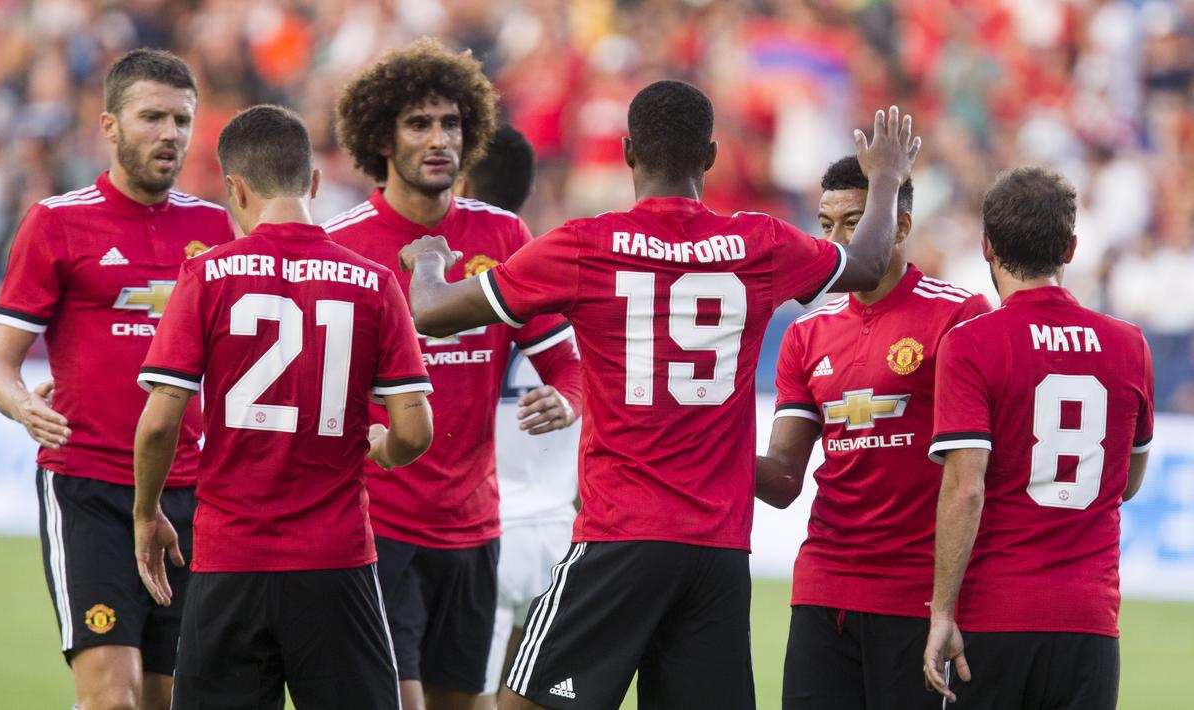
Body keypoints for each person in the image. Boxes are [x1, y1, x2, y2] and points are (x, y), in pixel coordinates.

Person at [398, 80, 921, 710]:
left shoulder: (584, 244)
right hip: (719, 552)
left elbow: (429, 313)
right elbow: (864, 265)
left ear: (625, 153)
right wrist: (887, 178)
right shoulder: (761, 242)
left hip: (620, 534)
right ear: (710, 157)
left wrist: (428, 260)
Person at [132, 104, 434, 709]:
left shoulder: (206, 275)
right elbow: (416, 429)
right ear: (314, 182)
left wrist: (146, 513)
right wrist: (387, 451)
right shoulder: (375, 282)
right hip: (337, 559)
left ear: (234, 188)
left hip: (229, 557)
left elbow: (162, 420)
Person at [324, 38, 583, 710]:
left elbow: (565, 363)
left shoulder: (502, 238)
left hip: (474, 528)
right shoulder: (341, 248)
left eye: (451, 124)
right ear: (381, 136)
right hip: (374, 527)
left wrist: (567, 398)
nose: (439, 140)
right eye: (419, 124)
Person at [0, 48, 234, 710]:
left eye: (182, 119)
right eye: (152, 117)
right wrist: (21, 408)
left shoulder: (213, 229)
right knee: (110, 699)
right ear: (110, 126)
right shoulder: (57, 222)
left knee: (166, 699)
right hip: (88, 487)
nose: (171, 134)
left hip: (187, 492)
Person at [756, 155, 990, 709]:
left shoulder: (959, 315)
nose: (837, 240)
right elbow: (784, 479)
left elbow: (979, 473)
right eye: (826, 224)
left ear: (899, 225)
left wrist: (947, 605)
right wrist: (703, 445)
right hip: (821, 589)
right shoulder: (805, 333)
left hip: (915, 594)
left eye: (855, 223)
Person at [923, 167, 1154, 709]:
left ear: (986, 245)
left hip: (996, 615)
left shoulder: (972, 344)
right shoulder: (1130, 345)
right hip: (1090, 622)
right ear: (1070, 248)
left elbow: (965, 490)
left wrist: (940, 613)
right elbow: (1125, 483)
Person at [453, 126, 583, 710]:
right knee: (545, 698)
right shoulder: (568, 297)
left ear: (458, 182)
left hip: (477, 533)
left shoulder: (439, 296)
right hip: (560, 537)